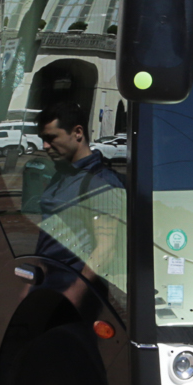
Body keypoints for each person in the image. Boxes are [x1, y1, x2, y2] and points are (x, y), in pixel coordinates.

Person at [33, 103, 124, 305]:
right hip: (48, 288)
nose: (45, 146)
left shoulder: (101, 182)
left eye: (51, 138)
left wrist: (74, 293)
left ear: (78, 133)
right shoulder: (63, 175)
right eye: (43, 140)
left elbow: (106, 248)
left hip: (76, 295)